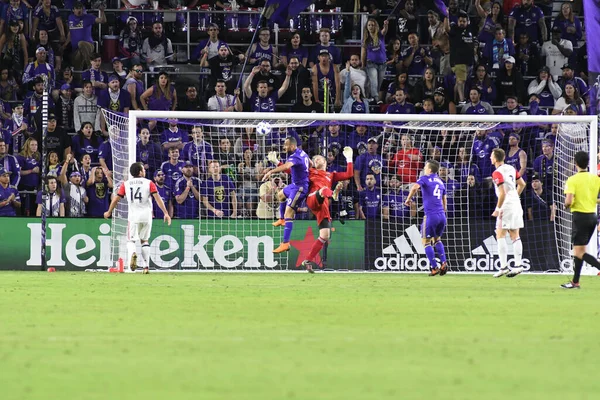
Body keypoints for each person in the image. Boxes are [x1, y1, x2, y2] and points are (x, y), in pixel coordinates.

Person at [104, 162, 171, 274]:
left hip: (134, 216)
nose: (144, 171)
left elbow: (116, 199)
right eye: (143, 170)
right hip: (147, 215)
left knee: (130, 240)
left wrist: (109, 211)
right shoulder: (149, 183)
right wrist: (166, 213)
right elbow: (158, 198)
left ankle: (133, 253)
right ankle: (146, 267)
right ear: (140, 172)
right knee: (145, 240)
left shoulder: (126, 184)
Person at [300, 146, 354, 272]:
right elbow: (292, 171)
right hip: (313, 198)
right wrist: (277, 163)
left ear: (324, 161)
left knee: (325, 235)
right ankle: (333, 194)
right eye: (314, 159)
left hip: (323, 204)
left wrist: (349, 159)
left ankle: (307, 260)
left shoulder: (331, 174)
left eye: (318, 159)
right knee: (323, 190)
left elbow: (349, 174)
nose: (316, 160)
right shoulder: (310, 172)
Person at [262, 137, 310, 254]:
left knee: (290, 213)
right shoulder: (302, 153)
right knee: (280, 195)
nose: (284, 147)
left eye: (286, 145)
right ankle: (282, 219)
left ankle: (285, 243)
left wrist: (271, 171)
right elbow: (310, 164)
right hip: (294, 185)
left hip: (300, 188)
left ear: (292, 146)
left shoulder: (294, 156)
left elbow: (287, 167)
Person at [561, 152, 600, 289]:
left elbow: (569, 201)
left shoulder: (572, 180)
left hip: (580, 217)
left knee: (578, 252)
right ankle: (575, 282)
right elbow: (594, 197)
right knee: (580, 251)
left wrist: (565, 205)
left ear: (575, 163)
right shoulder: (595, 179)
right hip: (593, 217)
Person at [405, 160, 448, 276]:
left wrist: (408, 199)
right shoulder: (440, 182)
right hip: (442, 216)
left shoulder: (425, 178)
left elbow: (414, 187)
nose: (424, 168)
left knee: (426, 242)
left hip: (431, 215)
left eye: (425, 166)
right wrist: (442, 211)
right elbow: (445, 200)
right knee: (437, 239)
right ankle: (444, 262)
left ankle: (434, 267)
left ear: (429, 169)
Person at [489, 148, 527, 278]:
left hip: (505, 205)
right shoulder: (511, 168)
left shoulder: (497, 173)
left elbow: (502, 193)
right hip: (516, 202)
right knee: (515, 235)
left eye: (491, 156)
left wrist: (498, 209)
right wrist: (514, 196)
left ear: (495, 158)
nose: (490, 158)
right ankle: (518, 265)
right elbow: (522, 184)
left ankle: (503, 267)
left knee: (500, 234)